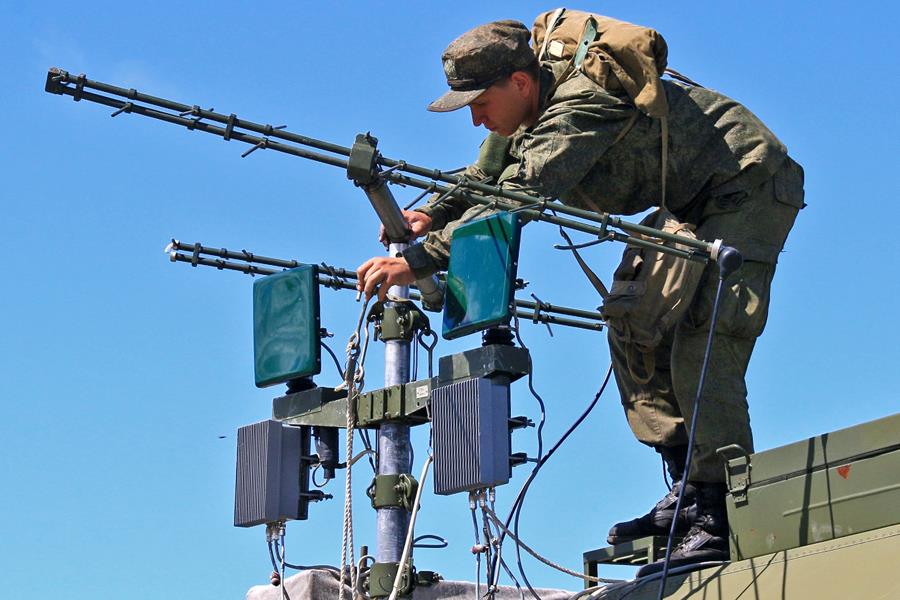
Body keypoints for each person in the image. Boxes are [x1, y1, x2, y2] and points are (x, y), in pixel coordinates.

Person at [356, 18, 804, 573]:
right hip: (689, 207)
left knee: (701, 334)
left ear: (521, 83)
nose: (474, 116)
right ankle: (687, 487)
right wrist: (434, 212)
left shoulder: (580, 107)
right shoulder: (520, 116)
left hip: (748, 184)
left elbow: (520, 193)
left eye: (479, 101)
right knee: (632, 325)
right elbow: (483, 176)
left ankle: (718, 508)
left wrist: (418, 260)